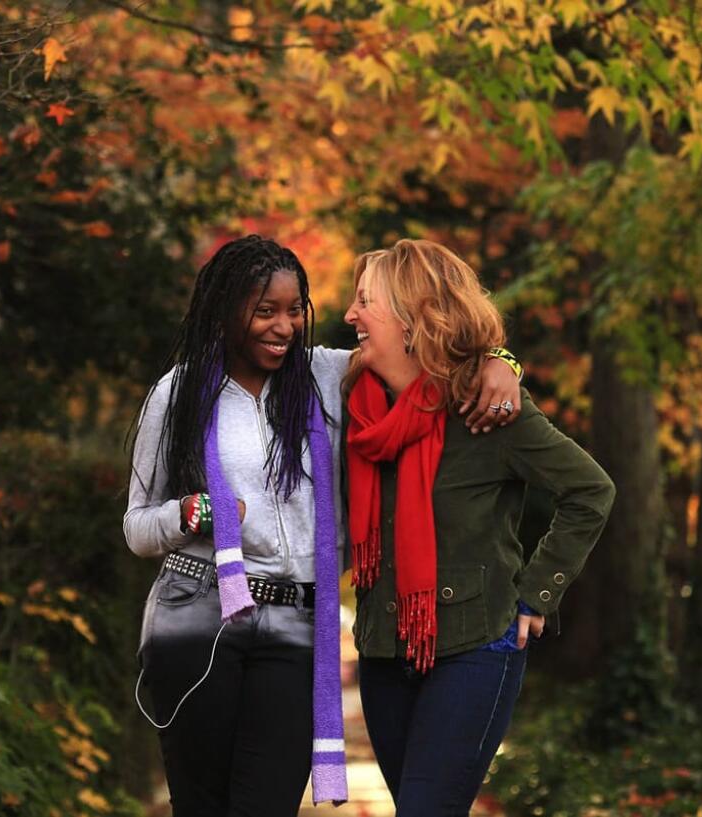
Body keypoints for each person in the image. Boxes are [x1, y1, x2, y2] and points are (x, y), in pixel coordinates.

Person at [123, 235, 524, 817]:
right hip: (197, 614)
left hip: (295, 623)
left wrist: (500, 362)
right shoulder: (178, 392)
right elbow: (137, 526)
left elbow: (428, 354)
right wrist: (188, 514)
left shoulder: (328, 377)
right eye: (265, 311)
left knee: (268, 802)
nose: (283, 327)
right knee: (203, 804)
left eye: (293, 311)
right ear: (225, 308)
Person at [342, 238, 616, 817]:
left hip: (475, 645)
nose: (350, 315)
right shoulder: (353, 400)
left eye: (365, 301)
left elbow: (590, 491)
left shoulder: (487, 408)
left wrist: (537, 593)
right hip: (384, 650)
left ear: (413, 319)